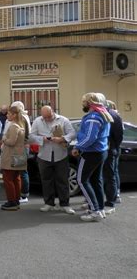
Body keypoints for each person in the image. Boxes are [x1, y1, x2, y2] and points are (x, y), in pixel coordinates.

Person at [72, 92, 113, 222]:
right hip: (100, 152)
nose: (82, 103)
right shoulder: (103, 114)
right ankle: (99, 208)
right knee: (96, 181)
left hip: (91, 153)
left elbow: (90, 137)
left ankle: (95, 211)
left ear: (89, 103)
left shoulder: (93, 117)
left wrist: (78, 147)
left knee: (82, 180)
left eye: (84, 101)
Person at [29, 106, 76, 214]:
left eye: (49, 117)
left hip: (61, 155)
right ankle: (49, 203)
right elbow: (31, 136)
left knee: (63, 180)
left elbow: (72, 133)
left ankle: (65, 204)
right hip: (44, 155)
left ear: (53, 112)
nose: (47, 119)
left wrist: (62, 139)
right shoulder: (37, 121)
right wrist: (42, 139)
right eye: (44, 117)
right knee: (46, 180)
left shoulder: (63, 120)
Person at [0, 106, 28, 211]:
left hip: (11, 155)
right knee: (16, 178)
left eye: (9, 114)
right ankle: (15, 200)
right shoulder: (21, 125)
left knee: (8, 179)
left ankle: (12, 202)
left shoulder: (13, 126)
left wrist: (4, 139)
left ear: (14, 115)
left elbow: (11, 142)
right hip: (18, 154)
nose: (7, 115)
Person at [103, 100, 123, 214]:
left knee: (111, 174)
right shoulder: (113, 115)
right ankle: (115, 195)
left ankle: (113, 199)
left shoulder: (113, 116)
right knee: (113, 173)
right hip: (113, 148)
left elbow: (119, 134)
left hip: (111, 148)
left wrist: (114, 146)